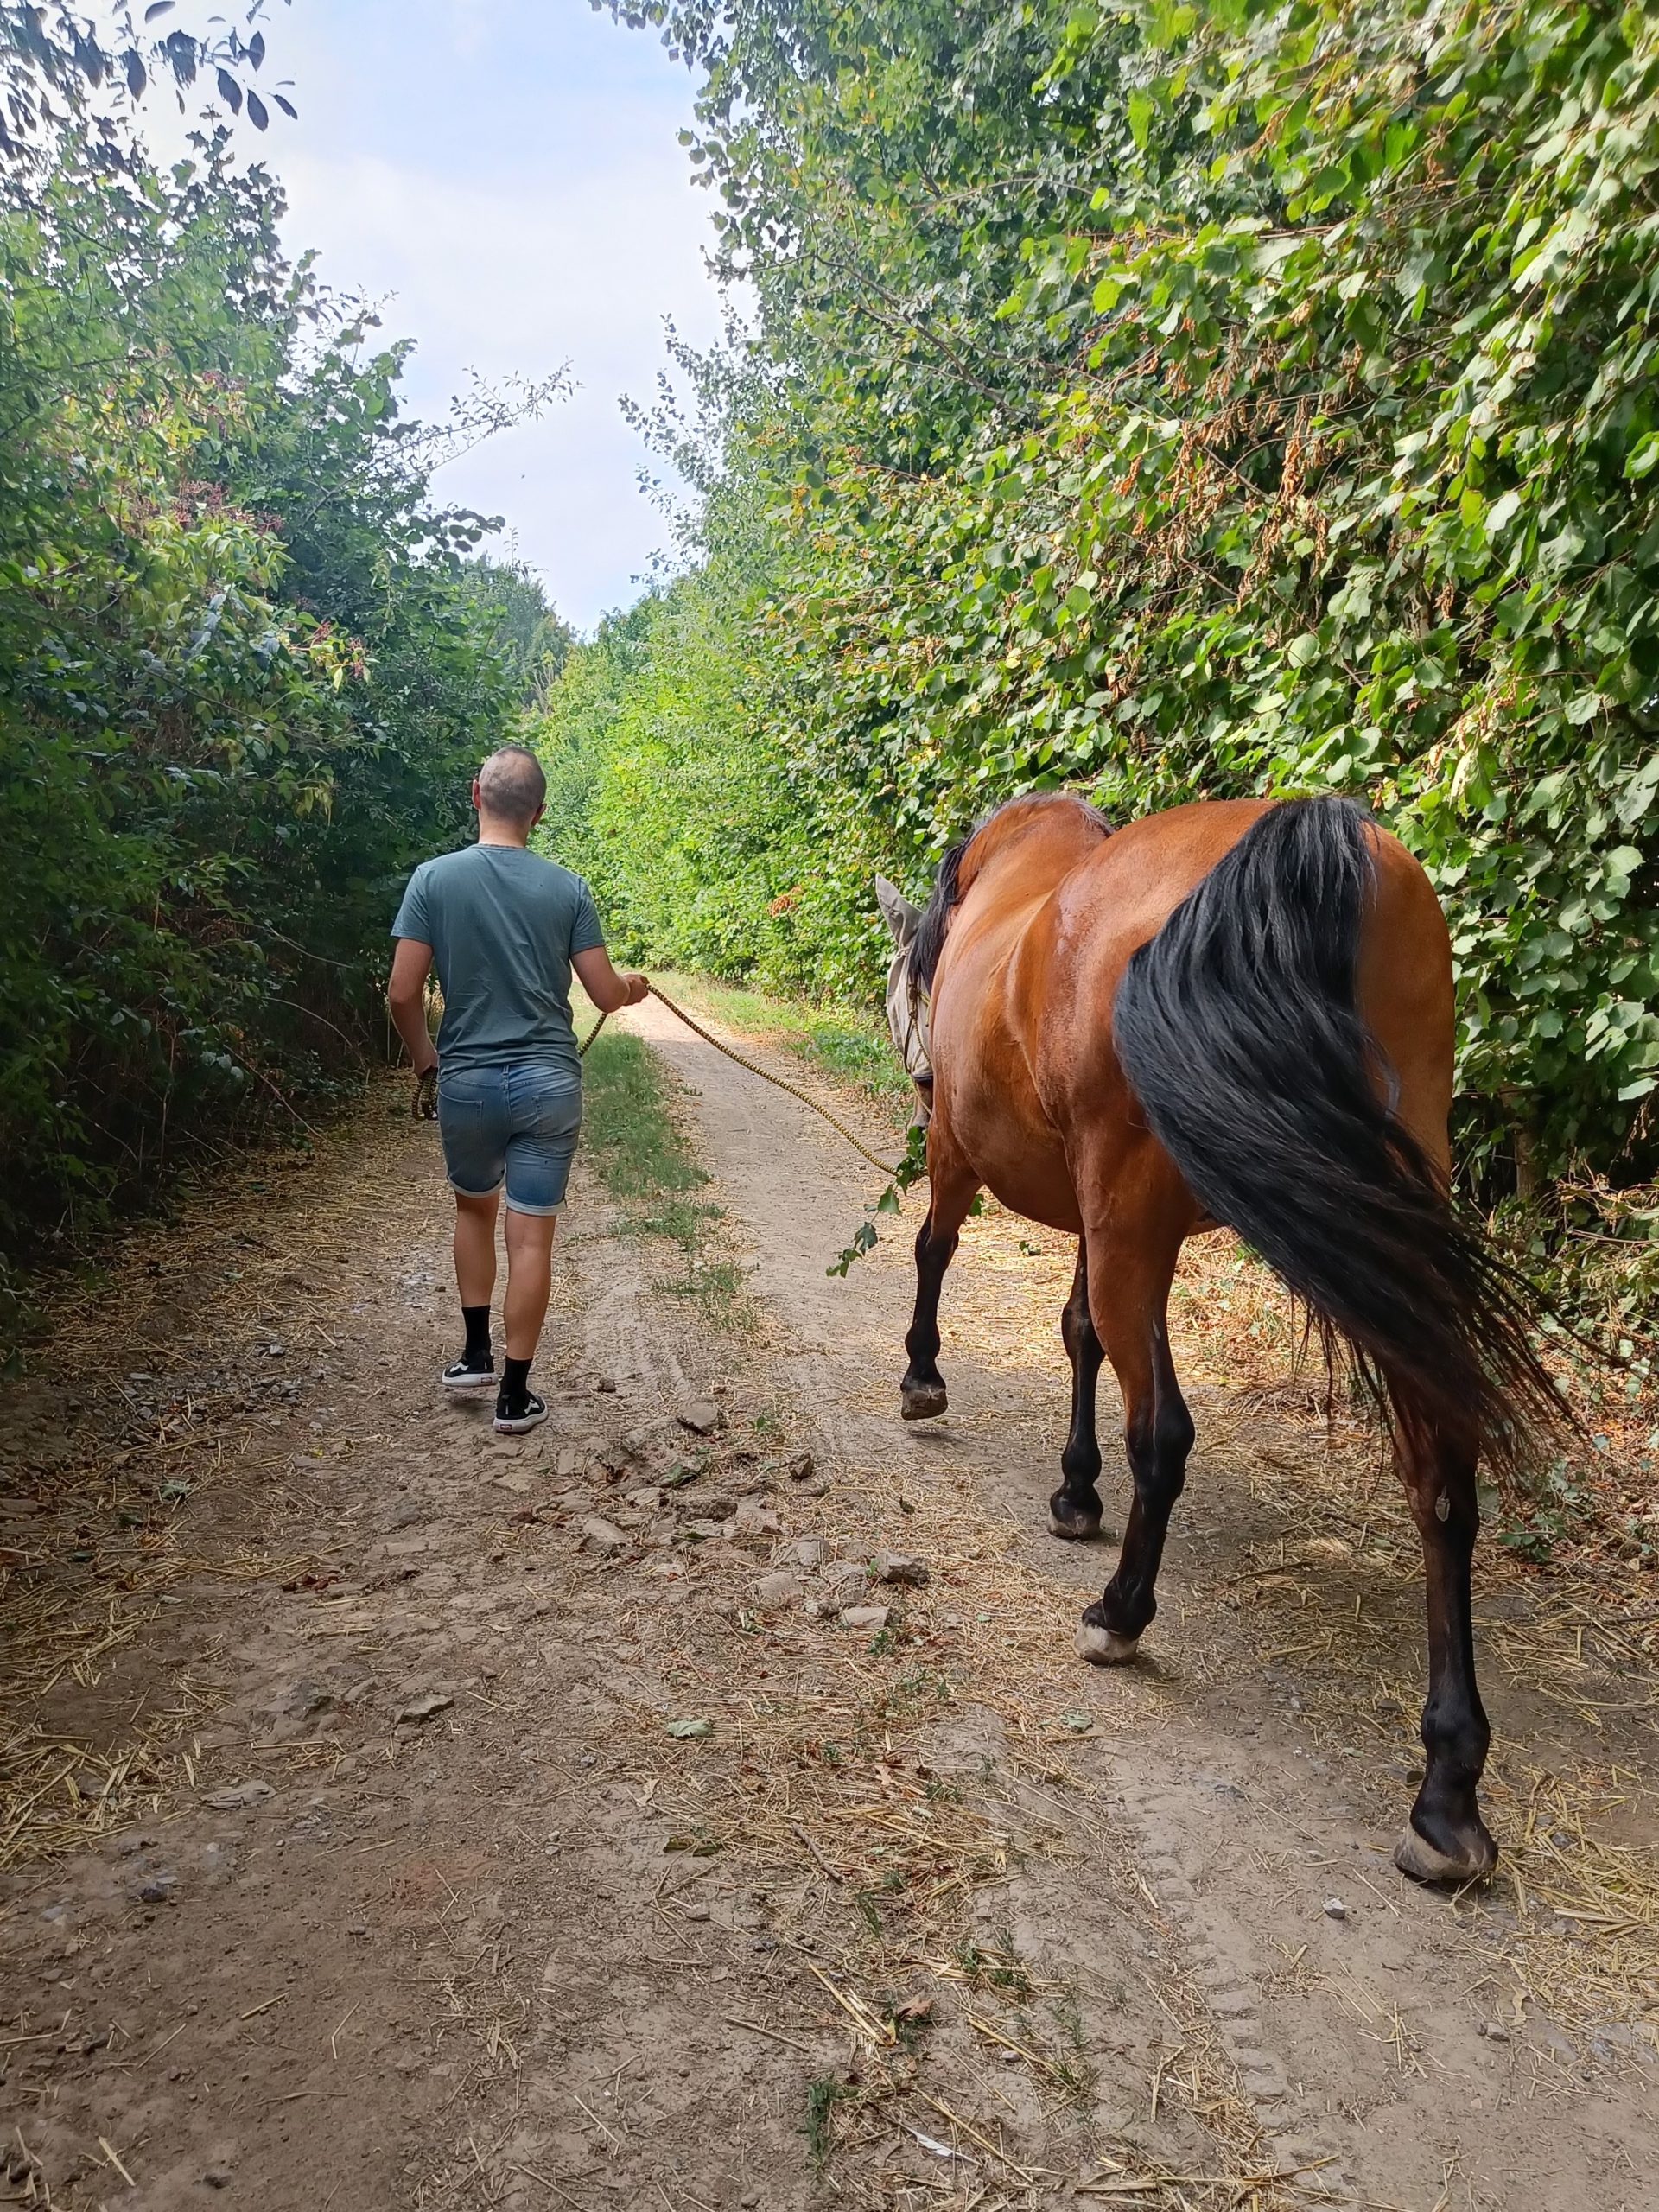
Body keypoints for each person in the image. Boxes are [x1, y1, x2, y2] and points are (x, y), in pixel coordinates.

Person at [386, 744, 648, 1435]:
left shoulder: (431, 881)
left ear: (476, 794)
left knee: (474, 1213)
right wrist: (631, 990)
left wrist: (426, 1063)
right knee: (531, 1238)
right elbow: (602, 991)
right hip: (546, 1084)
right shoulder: (568, 888)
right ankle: (515, 1395)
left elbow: (402, 992)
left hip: (466, 1081)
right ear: (540, 812)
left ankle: (473, 1354)